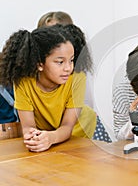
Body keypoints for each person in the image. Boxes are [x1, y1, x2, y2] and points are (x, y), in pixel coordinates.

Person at [0, 24, 105, 152]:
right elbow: (28, 127)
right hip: (49, 138)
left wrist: (50, 138)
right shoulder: (23, 82)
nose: (68, 68)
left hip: (86, 132)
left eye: (71, 60)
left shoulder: (77, 78)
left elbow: (67, 126)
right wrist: (34, 137)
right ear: (39, 64)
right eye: (60, 62)